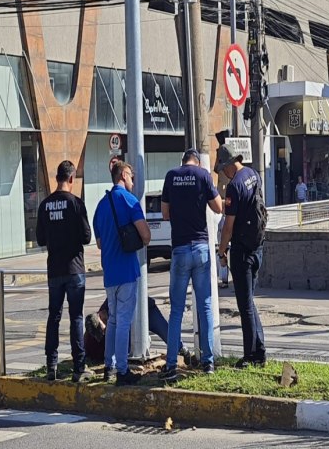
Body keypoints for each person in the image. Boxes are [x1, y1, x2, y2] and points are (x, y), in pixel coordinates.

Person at [160, 148, 223, 380]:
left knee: (176, 309)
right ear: (197, 161)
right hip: (200, 248)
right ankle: (208, 363)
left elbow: (165, 213)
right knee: (205, 305)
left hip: (179, 248)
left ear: (183, 160)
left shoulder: (171, 176)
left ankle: (170, 364)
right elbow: (218, 207)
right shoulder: (203, 175)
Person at [93, 161, 151, 386]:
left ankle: (109, 366)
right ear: (124, 175)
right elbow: (146, 236)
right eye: (132, 177)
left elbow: (98, 243)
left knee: (114, 320)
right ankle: (122, 371)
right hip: (127, 270)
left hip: (109, 272)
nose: (133, 182)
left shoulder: (101, 205)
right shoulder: (129, 201)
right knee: (124, 321)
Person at [36, 161, 92, 383]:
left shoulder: (44, 205)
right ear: (71, 179)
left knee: (54, 317)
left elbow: (41, 239)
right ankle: (79, 367)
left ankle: (52, 365)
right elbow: (87, 237)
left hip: (54, 270)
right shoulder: (76, 204)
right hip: (75, 268)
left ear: (56, 178)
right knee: (76, 317)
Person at [215, 144, 267, 369]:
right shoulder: (253, 175)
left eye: (222, 170)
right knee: (250, 302)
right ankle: (260, 350)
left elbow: (228, 226)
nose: (223, 175)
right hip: (258, 247)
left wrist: (221, 250)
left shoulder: (235, 186)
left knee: (245, 306)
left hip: (242, 251)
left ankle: (250, 356)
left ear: (228, 166)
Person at [83, 297, 191, 363]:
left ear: (100, 315)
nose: (106, 330)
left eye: (104, 325)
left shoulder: (110, 305)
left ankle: (181, 349)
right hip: (131, 323)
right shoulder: (93, 338)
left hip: (146, 310)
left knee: (165, 331)